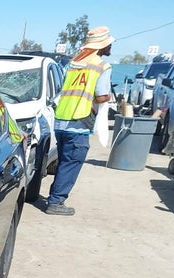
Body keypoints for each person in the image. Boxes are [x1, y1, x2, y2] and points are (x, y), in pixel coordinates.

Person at [44, 26, 114, 216]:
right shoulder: (101, 66)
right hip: (79, 121)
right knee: (71, 163)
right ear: (102, 46)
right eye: (109, 44)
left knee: (64, 161)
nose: (111, 47)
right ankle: (56, 201)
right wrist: (108, 98)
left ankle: (54, 197)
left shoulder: (74, 63)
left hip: (62, 120)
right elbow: (100, 96)